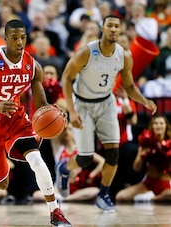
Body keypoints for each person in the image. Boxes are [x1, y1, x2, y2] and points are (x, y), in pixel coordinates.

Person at [0, 19, 71, 227]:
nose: (19, 42)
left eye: (22, 37)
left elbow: (42, 106)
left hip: (14, 118)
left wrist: (56, 114)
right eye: (14, 38)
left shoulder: (32, 66)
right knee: (2, 183)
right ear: (5, 39)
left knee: (37, 160)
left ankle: (55, 211)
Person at [59, 15, 157, 212]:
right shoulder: (87, 52)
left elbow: (128, 86)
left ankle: (104, 194)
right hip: (83, 104)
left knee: (113, 154)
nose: (113, 29)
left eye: (116, 26)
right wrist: (71, 110)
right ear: (102, 29)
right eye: (109, 26)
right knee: (85, 158)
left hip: (106, 103)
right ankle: (63, 169)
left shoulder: (124, 55)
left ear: (120, 31)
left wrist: (144, 101)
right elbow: (67, 78)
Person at [115, 114, 171, 202]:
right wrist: (142, 155)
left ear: (166, 126)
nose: (158, 126)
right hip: (148, 183)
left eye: (161, 123)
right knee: (120, 196)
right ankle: (154, 198)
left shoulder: (170, 144)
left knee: (168, 194)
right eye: (155, 123)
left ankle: (150, 198)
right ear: (152, 126)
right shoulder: (145, 143)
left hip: (165, 182)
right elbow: (136, 168)